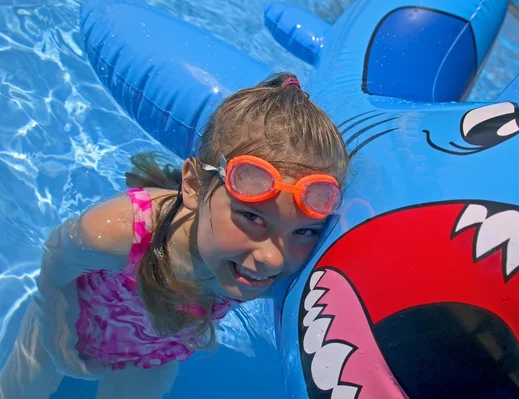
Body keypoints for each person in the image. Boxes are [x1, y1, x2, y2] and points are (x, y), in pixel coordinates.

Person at [0, 73, 349, 399]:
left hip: (153, 353)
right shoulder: (119, 231)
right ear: (195, 185)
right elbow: (56, 261)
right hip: (76, 320)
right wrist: (56, 324)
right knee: (23, 388)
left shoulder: (277, 266)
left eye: (304, 230)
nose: (273, 257)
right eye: (251, 217)